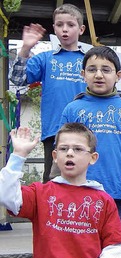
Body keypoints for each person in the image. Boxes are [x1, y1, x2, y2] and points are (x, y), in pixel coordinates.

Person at [0, 124, 121, 258]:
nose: (69, 153)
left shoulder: (104, 200)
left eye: (77, 149)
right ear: (54, 155)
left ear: (93, 157)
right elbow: (5, 195)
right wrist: (18, 155)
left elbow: (115, 245)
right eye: (63, 148)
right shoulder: (40, 193)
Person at [59, 46, 121, 258]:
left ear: (118, 76)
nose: (99, 75)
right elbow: (63, 149)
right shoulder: (72, 109)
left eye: (106, 70)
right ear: (82, 74)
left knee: (117, 257)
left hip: (117, 197)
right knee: (78, 252)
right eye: (92, 69)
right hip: (78, 196)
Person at [9, 4, 88, 183]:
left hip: (87, 131)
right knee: (54, 183)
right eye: (60, 25)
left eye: (70, 25)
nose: (65, 29)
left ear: (81, 29)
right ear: (54, 28)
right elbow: (17, 79)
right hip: (54, 131)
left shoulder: (90, 58)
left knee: (86, 182)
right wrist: (26, 48)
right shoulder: (45, 58)